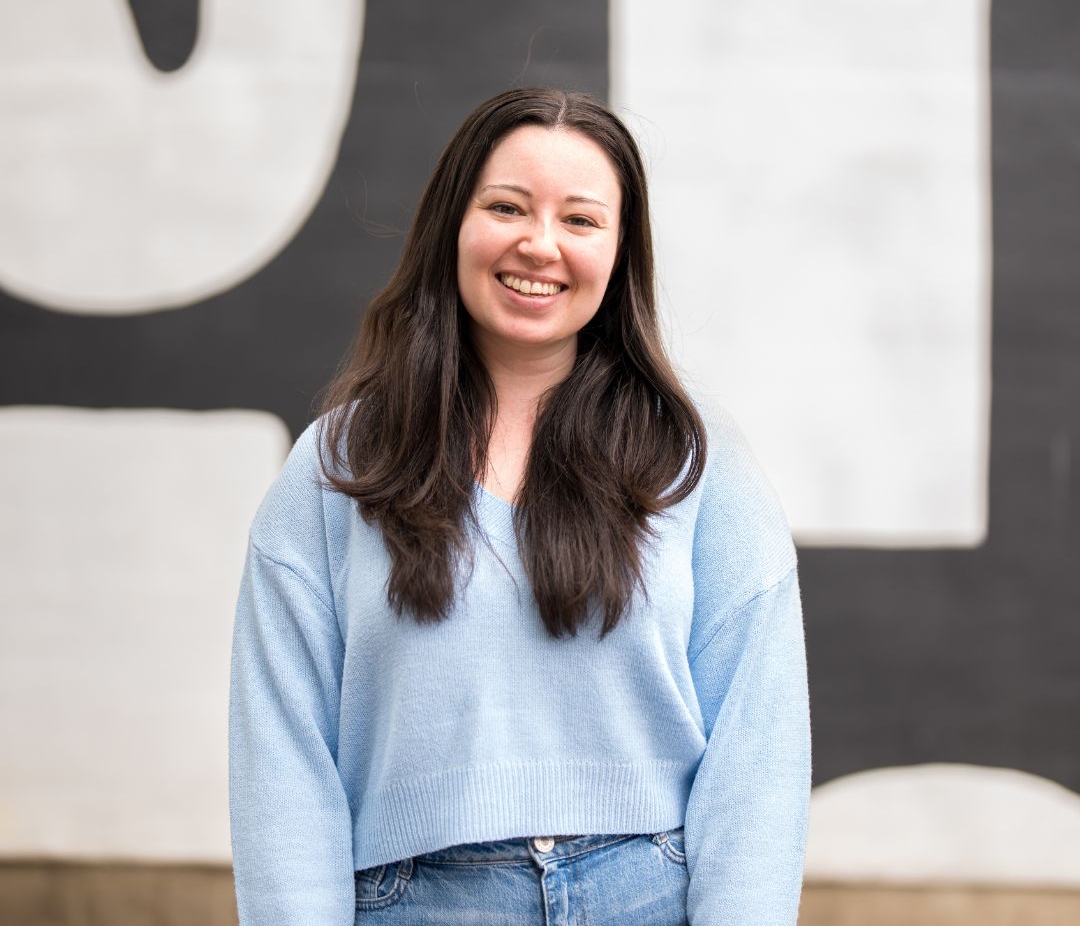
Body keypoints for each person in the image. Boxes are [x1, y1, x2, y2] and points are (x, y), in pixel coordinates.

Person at [229, 87, 811, 925]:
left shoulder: (695, 459)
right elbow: (282, 761)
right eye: (507, 207)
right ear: (452, 226)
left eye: (581, 220)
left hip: (650, 895)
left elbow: (758, 760)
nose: (540, 245)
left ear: (619, 252)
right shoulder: (339, 465)